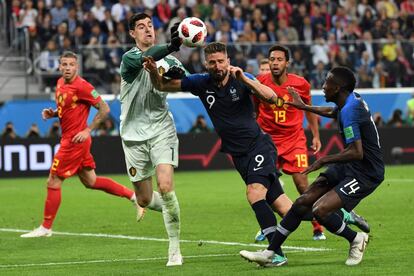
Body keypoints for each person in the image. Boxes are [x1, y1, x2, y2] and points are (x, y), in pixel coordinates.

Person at [143, 41, 294, 266]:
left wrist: (244, 79)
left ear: (228, 61)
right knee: (286, 207)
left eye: (221, 61)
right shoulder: (201, 82)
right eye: (212, 62)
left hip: (258, 146)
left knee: (254, 193)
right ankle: (344, 224)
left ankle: (275, 253)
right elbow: (164, 86)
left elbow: (271, 97)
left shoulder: (241, 78)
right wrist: (154, 72)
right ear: (206, 64)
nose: (217, 66)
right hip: (239, 154)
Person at [240, 66, 384, 267]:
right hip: (350, 166)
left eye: (327, 83)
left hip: (366, 173)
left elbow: (356, 152)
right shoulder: (350, 100)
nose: (323, 86)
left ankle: (356, 239)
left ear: (338, 88)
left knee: (320, 210)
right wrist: (303, 106)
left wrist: (323, 160)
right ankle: (271, 252)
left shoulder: (351, 110)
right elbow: (332, 111)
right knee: (302, 202)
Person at [20, 51, 144, 238]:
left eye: (71, 64)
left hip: (74, 142)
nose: (68, 68)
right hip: (72, 140)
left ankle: (46, 227)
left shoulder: (83, 86)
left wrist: (88, 130)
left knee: (53, 181)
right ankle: (134, 197)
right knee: (91, 181)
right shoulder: (60, 83)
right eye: (64, 64)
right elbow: (68, 107)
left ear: (77, 67)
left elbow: (104, 108)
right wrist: (53, 113)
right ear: (59, 66)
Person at [253, 45, 369, 242]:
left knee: (302, 184)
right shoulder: (260, 82)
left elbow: (308, 110)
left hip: (294, 139)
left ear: (287, 63)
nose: (274, 63)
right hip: (268, 141)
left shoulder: (300, 84)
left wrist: (315, 135)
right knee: (264, 188)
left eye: (279, 59)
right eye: (272, 59)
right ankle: (269, 226)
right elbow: (256, 110)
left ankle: (318, 226)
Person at [118, 13, 184, 267]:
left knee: (166, 187)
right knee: (144, 198)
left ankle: (175, 249)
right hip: (133, 135)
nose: (147, 30)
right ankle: (162, 206)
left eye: (150, 26)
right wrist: (171, 46)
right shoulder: (129, 58)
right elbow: (149, 58)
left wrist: (177, 75)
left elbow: (186, 83)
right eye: (141, 27)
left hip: (161, 130)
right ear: (132, 34)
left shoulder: (168, 60)